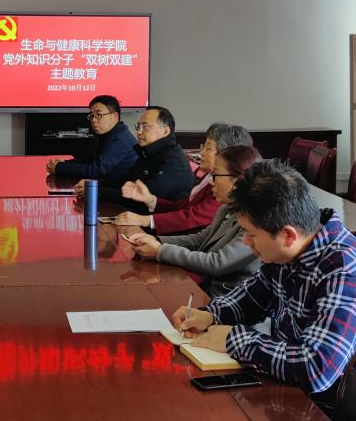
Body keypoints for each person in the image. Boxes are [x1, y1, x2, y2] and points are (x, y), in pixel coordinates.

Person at [171, 159, 356, 401]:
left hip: (344, 404)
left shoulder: (345, 271)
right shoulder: (292, 248)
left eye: (251, 234)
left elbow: (317, 368)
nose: (245, 242)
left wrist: (233, 340)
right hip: (298, 388)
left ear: (288, 235)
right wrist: (211, 315)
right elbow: (253, 296)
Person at [126, 145, 262, 297]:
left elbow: (217, 263)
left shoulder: (256, 221)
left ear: (238, 180)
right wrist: (156, 240)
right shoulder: (227, 208)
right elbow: (200, 238)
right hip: (203, 288)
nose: (211, 182)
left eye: (215, 175)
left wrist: (161, 251)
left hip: (225, 300)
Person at [114, 123, 252, 234]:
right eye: (203, 146)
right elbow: (182, 206)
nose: (201, 152)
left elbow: (193, 217)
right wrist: (150, 200)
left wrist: (145, 220)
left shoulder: (226, 185)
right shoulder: (209, 176)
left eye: (208, 148)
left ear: (228, 155)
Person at [77, 106, 194, 206]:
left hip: (159, 221)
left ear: (165, 131)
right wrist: (93, 185)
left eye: (145, 127)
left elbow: (141, 198)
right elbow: (124, 180)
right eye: (138, 126)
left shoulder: (174, 162)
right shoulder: (150, 152)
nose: (139, 132)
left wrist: (96, 192)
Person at [45, 95, 137, 180]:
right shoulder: (107, 135)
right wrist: (61, 164)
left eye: (99, 115)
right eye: (92, 115)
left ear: (115, 116)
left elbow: (97, 171)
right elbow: (88, 159)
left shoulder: (120, 139)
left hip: (120, 190)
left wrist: (59, 168)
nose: (93, 120)